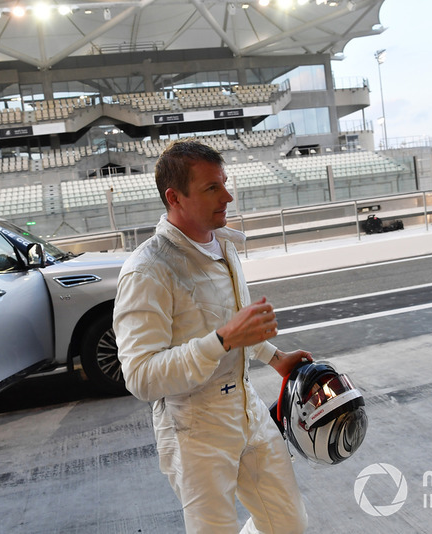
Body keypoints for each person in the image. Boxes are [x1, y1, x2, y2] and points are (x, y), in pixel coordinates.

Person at [113, 139, 311, 534]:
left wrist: (276, 358)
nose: (228, 196)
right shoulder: (147, 270)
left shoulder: (223, 246)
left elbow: (237, 328)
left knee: (287, 524)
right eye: (212, 188)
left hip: (247, 410)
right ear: (175, 198)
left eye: (224, 183)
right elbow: (140, 377)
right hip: (193, 430)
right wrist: (220, 340)